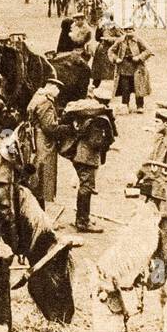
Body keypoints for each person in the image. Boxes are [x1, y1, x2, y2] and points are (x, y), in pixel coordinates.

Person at [65, 86, 117, 233]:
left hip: (80, 154)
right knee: (86, 188)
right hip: (87, 157)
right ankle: (82, 221)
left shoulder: (86, 113)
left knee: (84, 186)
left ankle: (82, 218)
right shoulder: (100, 119)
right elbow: (95, 142)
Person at [26, 79, 70, 208]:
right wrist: (66, 128)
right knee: (43, 175)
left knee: (38, 174)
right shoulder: (46, 102)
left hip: (35, 136)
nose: (58, 92)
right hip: (43, 141)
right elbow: (49, 127)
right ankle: (39, 210)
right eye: (58, 89)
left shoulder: (37, 96)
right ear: (52, 87)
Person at [107, 23, 153, 113]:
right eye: (126, 29)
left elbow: (149, 51)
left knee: (138, 86)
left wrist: (139, 57)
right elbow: (110, 51)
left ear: (134, 30)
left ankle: (140, 106)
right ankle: (125, 106)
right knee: (125, 87)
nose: (129, 31)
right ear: (124, 31)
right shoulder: (120, 40)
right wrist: (116, 59)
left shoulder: (139, 40)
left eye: (130, 29)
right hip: (124, 67)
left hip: (137, 67)